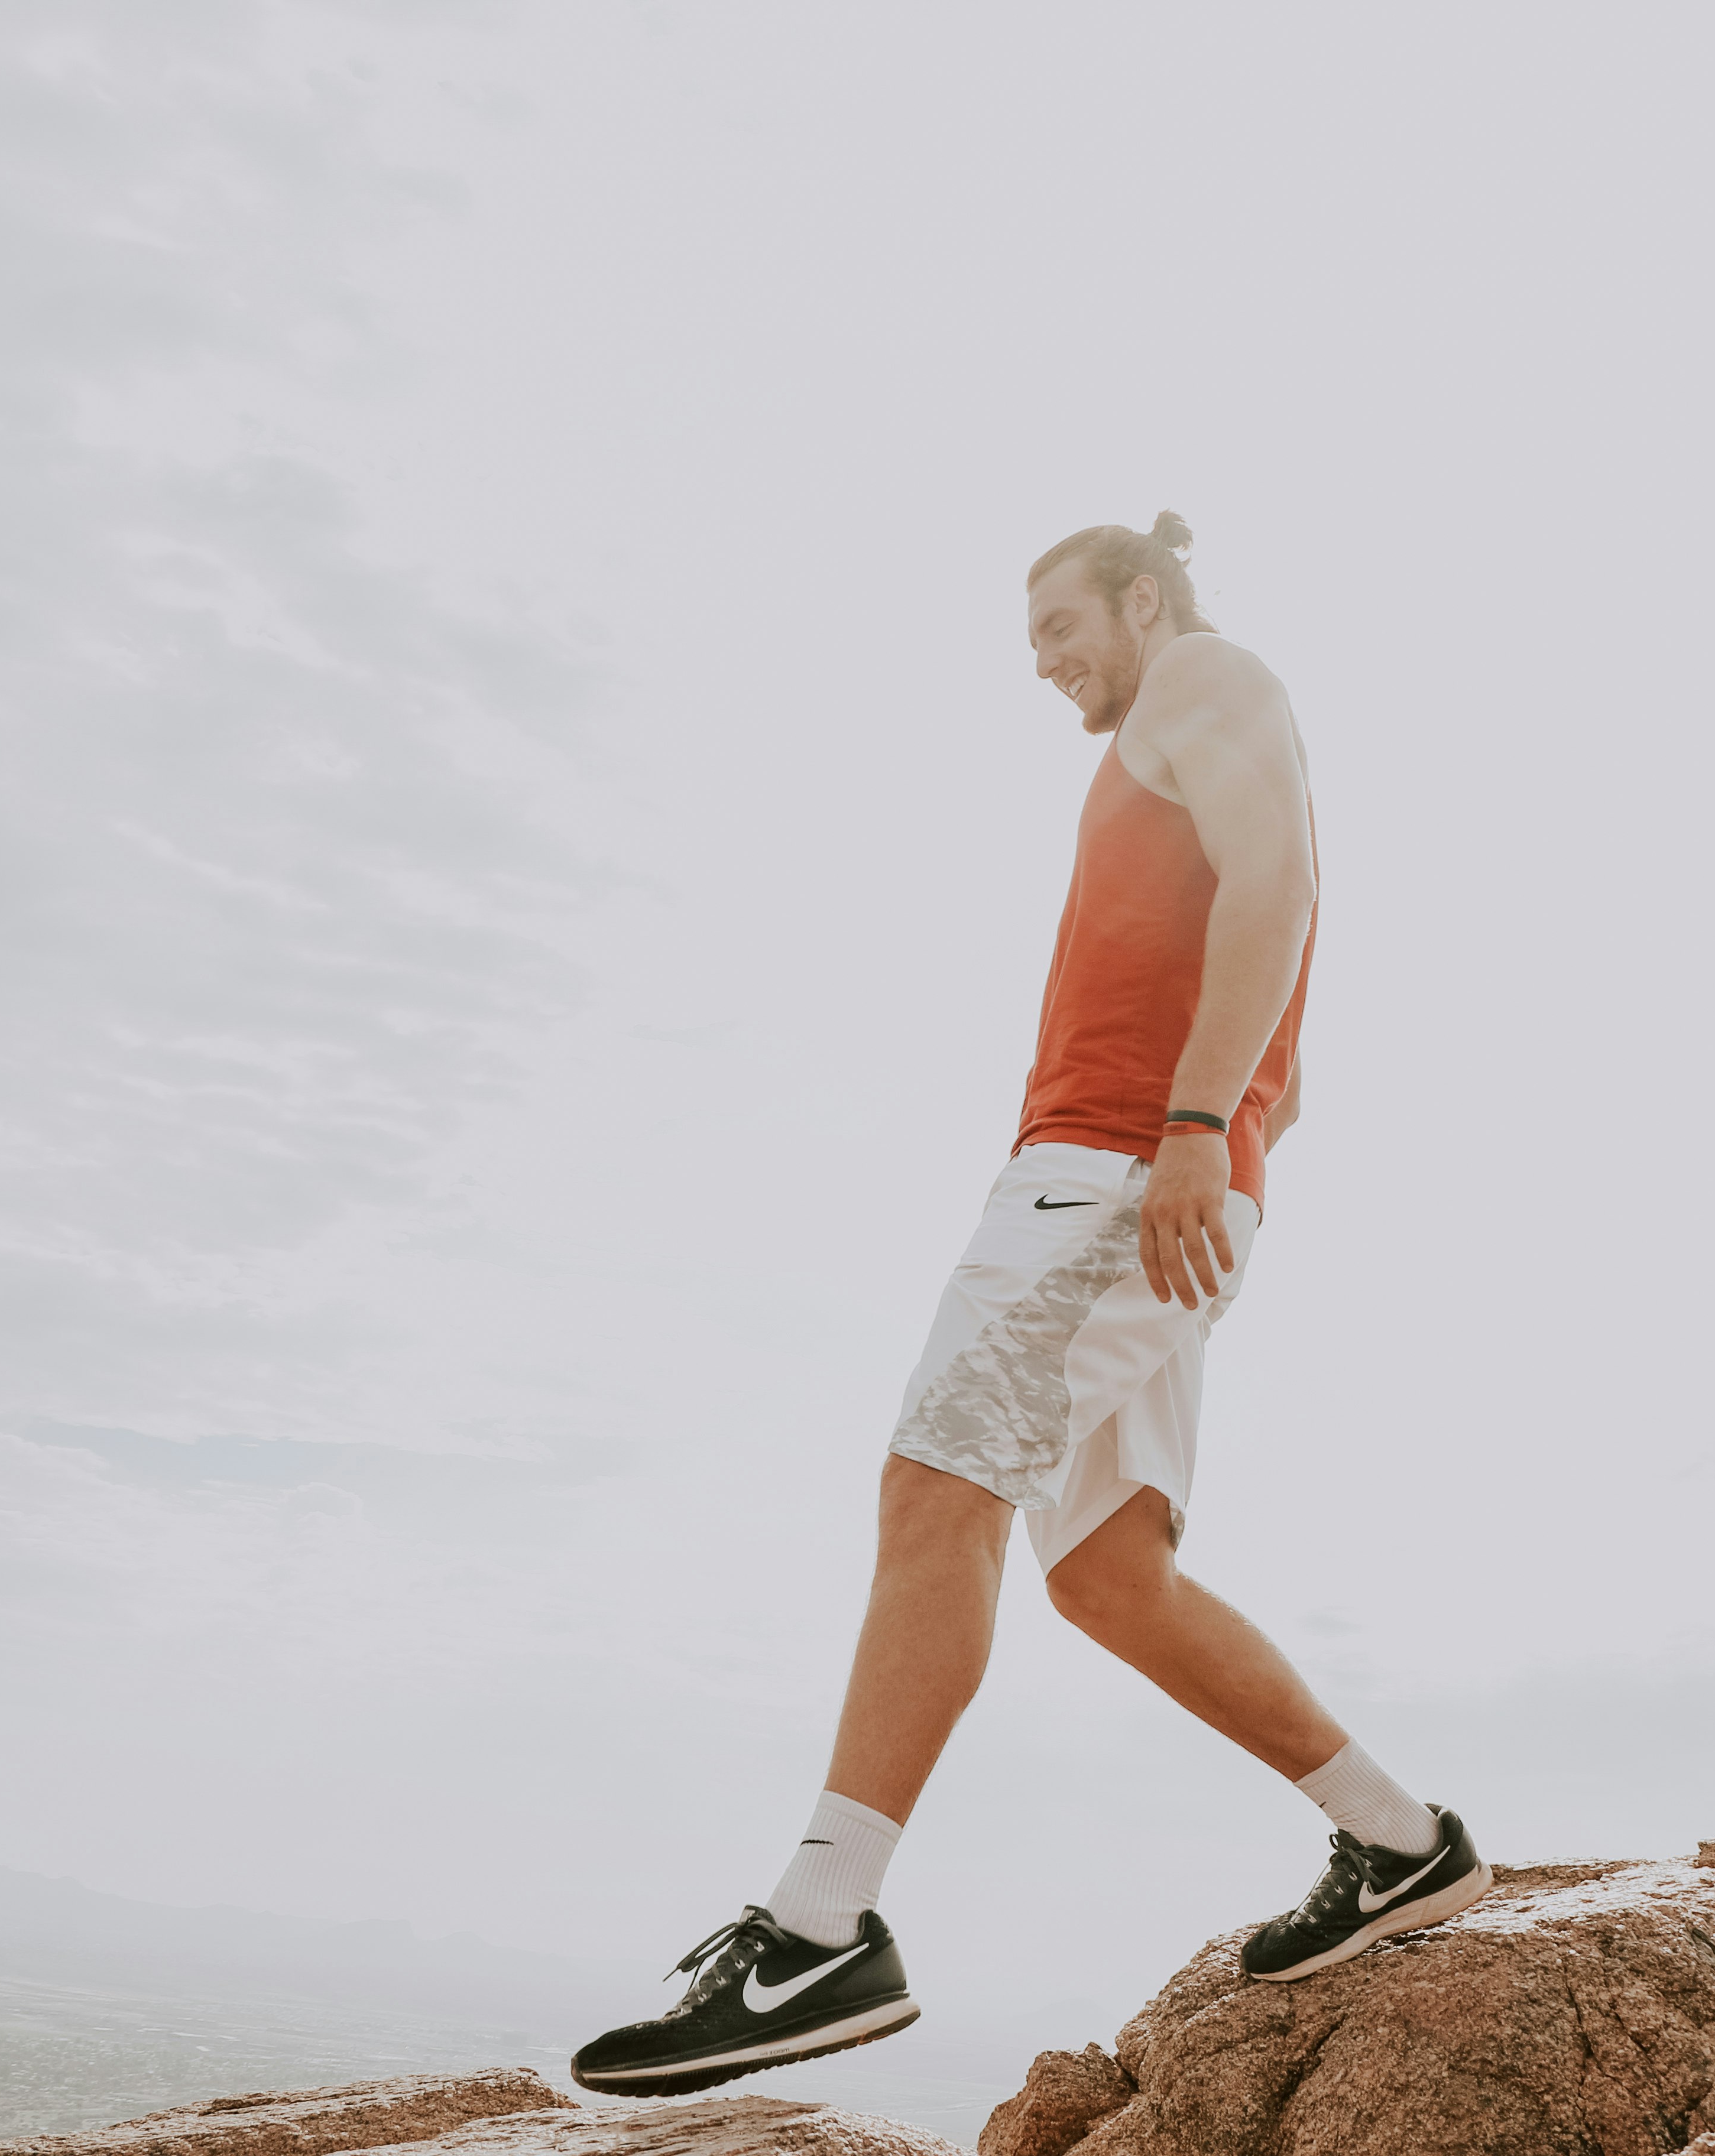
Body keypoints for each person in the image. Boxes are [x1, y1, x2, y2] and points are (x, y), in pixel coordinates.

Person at [568, 514, 1486, 2097]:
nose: (1047, 660)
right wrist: (1232, 1139)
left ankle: (820, 1931)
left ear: (1147, 600)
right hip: (1152, 1174)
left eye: (1063, 624)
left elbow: (1279, 888)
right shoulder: (1185, 717)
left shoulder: (1201, 676)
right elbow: (1294, 1034)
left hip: (1117, 1170)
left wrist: (1191, 1133)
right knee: (1109, 1580)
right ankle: (1400, 1842)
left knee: (938, 1486)